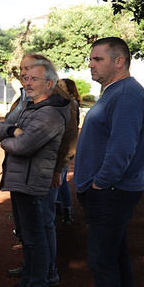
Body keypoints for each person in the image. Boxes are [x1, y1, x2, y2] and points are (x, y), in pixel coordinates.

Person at [65, 37, 144, 287]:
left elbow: (122, 148)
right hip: (110, 193)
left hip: (112, 193)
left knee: (104, 264)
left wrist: (100, 183)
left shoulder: (127, 94)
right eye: (91, 59)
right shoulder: (115, 92)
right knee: (116, 260)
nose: (91, 64)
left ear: (119, 61)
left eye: (97, 59)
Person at [0, 58, 69, 287]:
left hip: (32, 184)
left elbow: (22, 146)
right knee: (28, 238)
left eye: (34, 78)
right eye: (26, 78)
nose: (27, 82)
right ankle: (28, 284)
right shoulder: (31, 107)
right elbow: (1, 127)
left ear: (49, 83)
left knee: (36, 240)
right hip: (20, 181)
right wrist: (11, 132)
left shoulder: (49, 113)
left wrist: (10, 137)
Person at [54, 78, 81, 224]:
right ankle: (63, 210)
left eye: (61, 85)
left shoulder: (71, 104)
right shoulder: (68, 103)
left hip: (65, 148)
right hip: (65, 148)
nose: (58, 87)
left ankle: (65, 211)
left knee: (60, 180)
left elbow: (70, 129)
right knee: (61, 180)